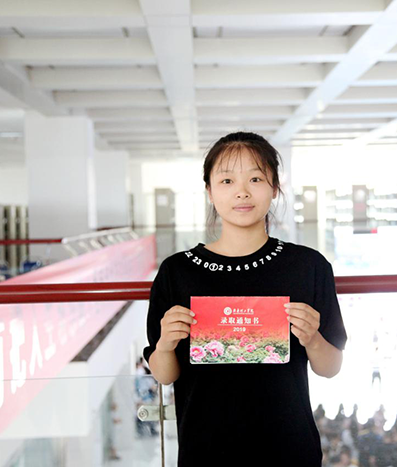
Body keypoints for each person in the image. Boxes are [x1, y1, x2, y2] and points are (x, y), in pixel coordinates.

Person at [143, 132, 348, 467]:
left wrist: (312, 338)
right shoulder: (177, 271)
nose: (242, 191)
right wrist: (165, 345)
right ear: (209, 191)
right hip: (205, 452)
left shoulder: (307, 266)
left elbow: (331, 367)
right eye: (227, 181)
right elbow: (164, 375)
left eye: (255, 179)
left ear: (275, 188)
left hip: (289, 449)